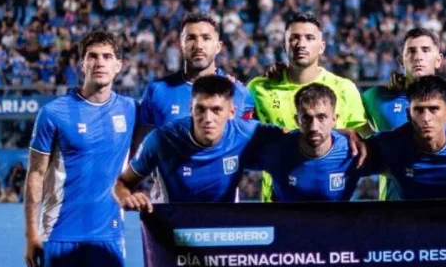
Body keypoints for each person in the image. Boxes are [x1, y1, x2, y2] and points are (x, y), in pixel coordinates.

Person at [117, 76, 368, 209]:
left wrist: (343, 132)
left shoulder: (249, 133)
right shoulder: (162, 140)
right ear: (190, 108)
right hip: (172, 238)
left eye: (217, 110)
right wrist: (128, 197)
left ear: (232, 112)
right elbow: (122, 183)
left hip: (225, 237)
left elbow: (301, 132)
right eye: (200, 109)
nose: (208, 118)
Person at [23, 30, 136, 267]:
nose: (100, 62)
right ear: (81, 64)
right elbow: (35, 174)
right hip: (58, 236)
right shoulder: (54, 113)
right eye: (92, 56)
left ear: (118, 65)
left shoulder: (131, 110)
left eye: (107, 56)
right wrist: (31, 233)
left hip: (108, 238)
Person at [248, 12, 369, 201]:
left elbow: (363, 142)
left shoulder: (345, 89)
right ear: (284, 45)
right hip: (276, 205)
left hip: (334, 205)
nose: (301, 44)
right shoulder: (259, 88)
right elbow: (240, 133)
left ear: (322, 47)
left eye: (309, 38)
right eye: (294, 38)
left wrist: (349, 132)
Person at [362, 27, 446, 200]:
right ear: (401, 60)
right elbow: (350, 126)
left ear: (438, 60)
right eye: (411, 51)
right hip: (395, 210)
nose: (418, 56)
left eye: (425, 50)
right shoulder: (377, 98)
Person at [134, 12, 255, 152]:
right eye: (191, 38)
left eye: (206, 38)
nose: (198, 45)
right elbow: (139, 152)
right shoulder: (156, 91)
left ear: (218, 47)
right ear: (180, 47)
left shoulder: (240, 94)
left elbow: (249, 151)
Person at [252, 83, 374, 202]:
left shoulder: (354, 151)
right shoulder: (278, 150)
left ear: (334, 119)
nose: (314, 127)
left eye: (321, 117)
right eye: (306, 118)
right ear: (297, 120)